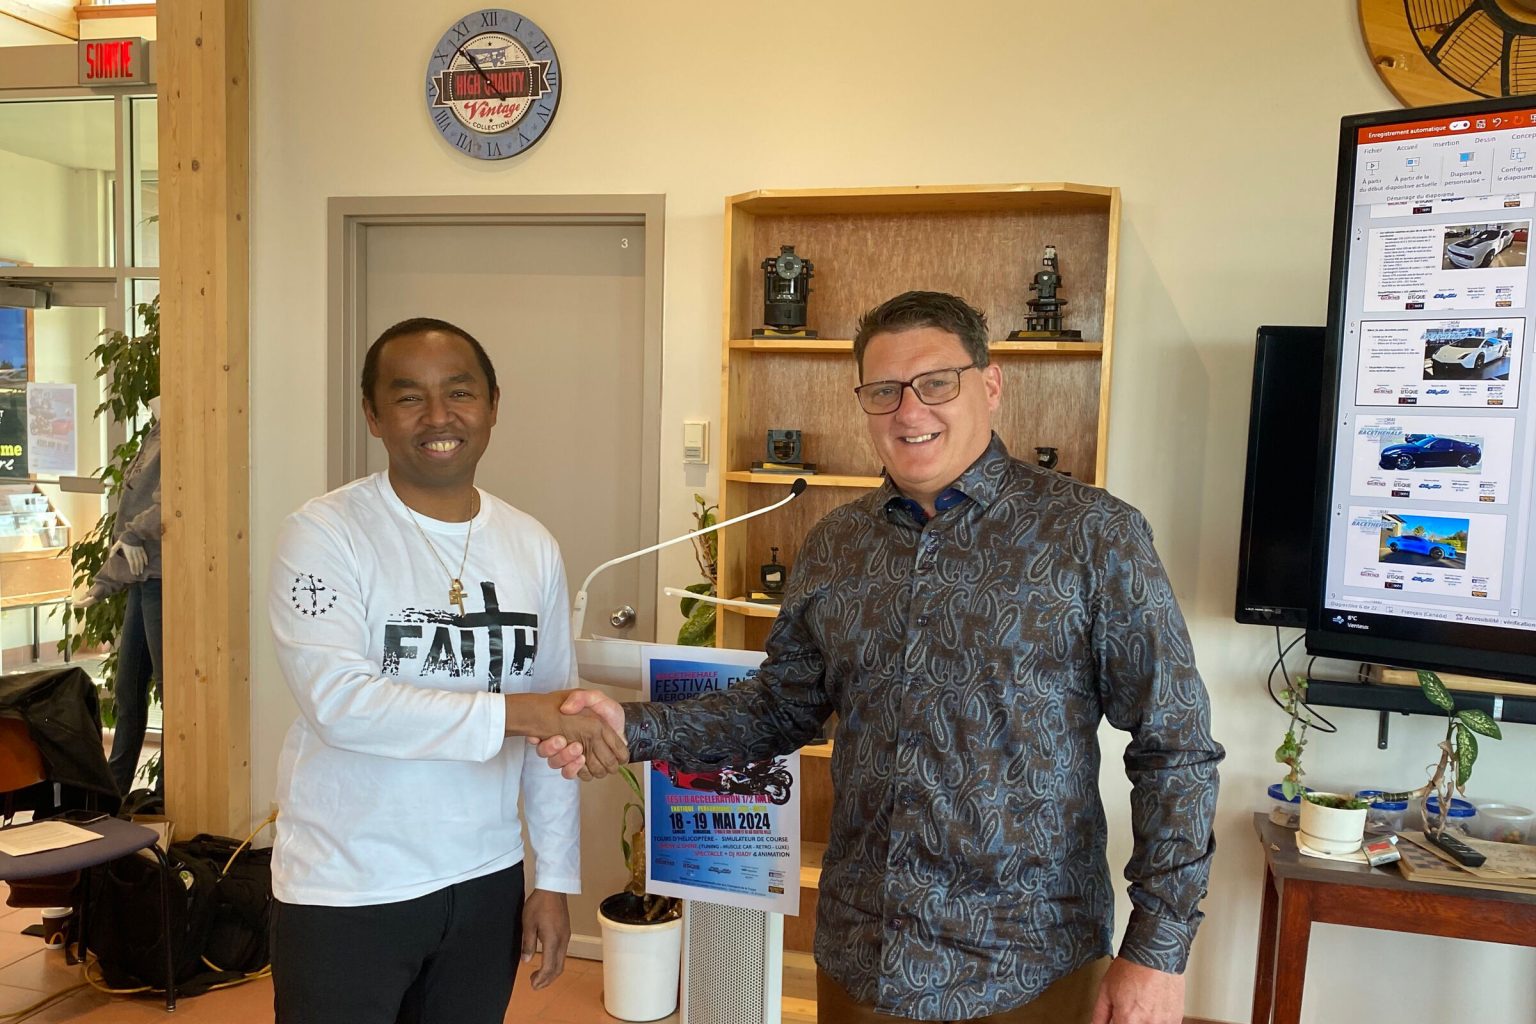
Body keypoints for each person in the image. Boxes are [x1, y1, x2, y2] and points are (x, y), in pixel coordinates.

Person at [540, 292, 1223, 1024]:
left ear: (990, 385)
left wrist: (1157, 949)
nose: (909, 410)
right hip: (862, 955)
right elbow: (780, 707)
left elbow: (1174, 745)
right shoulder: (837, 544)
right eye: (884, 390)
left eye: (937, 383)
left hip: (1028, 962)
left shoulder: (1092, 535)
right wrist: (634, 727)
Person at [266, 317, 628, 1024]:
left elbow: (557, 726)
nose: (438, 416)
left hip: (485, 880)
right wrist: (522, 713)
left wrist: (553, 879)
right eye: (409, 397)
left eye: (459, 392)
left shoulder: (530, 544)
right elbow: (339, 704)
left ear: (492, 404)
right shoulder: (324, 533)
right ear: (373, 415)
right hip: (347, 886)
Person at [79, 395, 162, 798]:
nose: (153, 401)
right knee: (128, 688)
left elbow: (170, 500)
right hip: (142, 577)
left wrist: (132, 535)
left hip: (163, 576)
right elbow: (130, 518)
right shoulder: (155, 432)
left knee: (170, 690)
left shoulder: (180, 434)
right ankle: (114, 791)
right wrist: (107, 579)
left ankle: (167, 790)